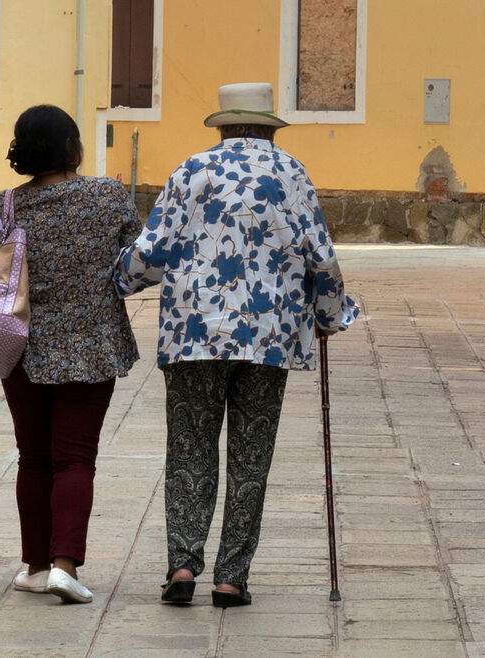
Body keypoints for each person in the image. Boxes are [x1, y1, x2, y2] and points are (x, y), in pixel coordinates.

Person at [116, 82, 360, 609]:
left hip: (192, 334)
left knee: (189, 449)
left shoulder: (191, 171)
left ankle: (182, 564)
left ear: (222, 126)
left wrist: (120, 279)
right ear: (270, 128)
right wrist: (329, 316)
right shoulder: (290, 174)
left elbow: (151, 253)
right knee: (251, 456)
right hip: (267, 338)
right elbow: (322, 257)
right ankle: (230, 578)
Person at [0, 103, 139, 605]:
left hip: (22, 349)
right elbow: (138, 264)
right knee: (76, 459)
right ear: (72, 147)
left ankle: (36, 565)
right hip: (93, 347)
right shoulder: (108, 197)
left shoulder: (5, 207)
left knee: (34, 458)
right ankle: (66, 564)